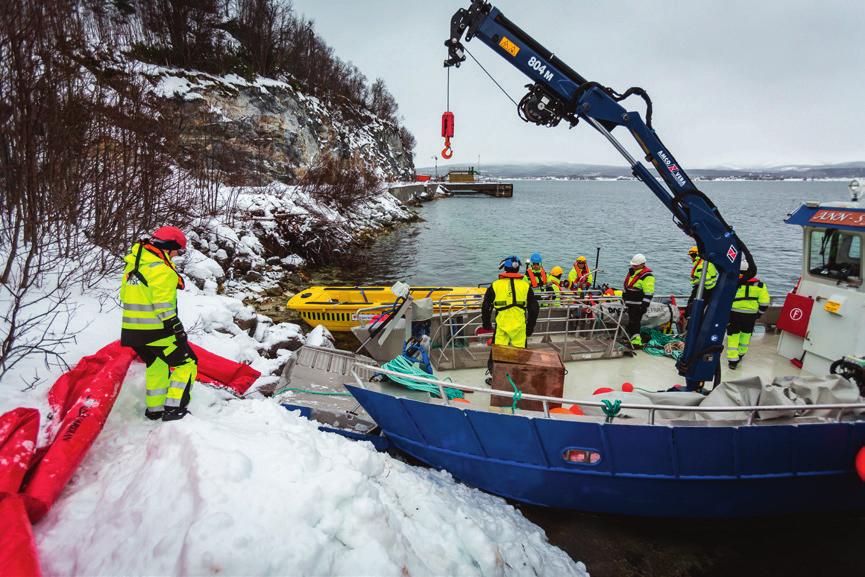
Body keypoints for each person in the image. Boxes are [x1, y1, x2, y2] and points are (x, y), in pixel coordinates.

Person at [120, 226, 197, 421]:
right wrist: (176, 328)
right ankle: (175, 409)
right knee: (187, 362)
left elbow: (125, 296)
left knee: (157, 363)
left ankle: (155, 409)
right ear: (169, 247)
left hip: (132, 331)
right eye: (178, 251)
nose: (177, 255)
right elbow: (163, 305)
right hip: (157, 330)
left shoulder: (133, 265)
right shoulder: (162, 271)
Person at [482, 255, 540, 348]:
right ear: (518, 269)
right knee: (520, 358)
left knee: (498, 358)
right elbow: (534, 309)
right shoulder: (525, 286)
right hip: (519, 329)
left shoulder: (496, 285)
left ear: (504, 268)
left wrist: (487, 324)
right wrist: (529, 328)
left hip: (501, 329)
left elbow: (486, 307)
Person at [727, 258, 770, 370]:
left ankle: (732, 360)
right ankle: (741, 354)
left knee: (733, 335)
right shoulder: (760, 285)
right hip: (751, 315)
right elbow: (764, 302)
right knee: (746, 334)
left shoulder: (732, 282)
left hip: (734, 313)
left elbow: (725, 298)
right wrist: (759, 313)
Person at [623, 254, 655, 348]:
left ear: (642, 264)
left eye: (635, 265)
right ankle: (630, 338)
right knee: (631, 322)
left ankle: (636, 342)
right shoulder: (632, 273)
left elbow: (649, 292)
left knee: (635, 322)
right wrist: (624, 298)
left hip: (638, 305)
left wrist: (644, 305)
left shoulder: (647, 276)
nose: (633, 266)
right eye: (633, 265)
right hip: (630, 303)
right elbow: (627, 286)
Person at [686, 246, 718, 317]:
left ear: (696, 255)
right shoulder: (707, 263)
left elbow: (706, 280)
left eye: (692, 255)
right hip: (709, 290)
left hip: (703, 289)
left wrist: (696, 281)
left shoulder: (701, 266)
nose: (691, 258)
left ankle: (690, 322)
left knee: (691, 307)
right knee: (700, 309)